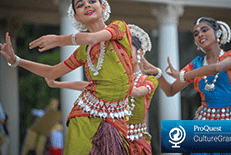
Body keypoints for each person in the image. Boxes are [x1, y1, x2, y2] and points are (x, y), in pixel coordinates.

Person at [0, 0, 134, 155]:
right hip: (86, 114)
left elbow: (92, 37)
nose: (86, 5)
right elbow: (52, 72)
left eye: (91, 1)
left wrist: (58, 40)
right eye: (80, 4)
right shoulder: (84, 50)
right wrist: (16, 61)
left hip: (118, 117)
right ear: (77, 16)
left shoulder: (119, 27)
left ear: (103, 7)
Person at [141, 17, 231, 155]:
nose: (200, 35)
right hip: (203, 125)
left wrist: (183, 75)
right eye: (196, 34)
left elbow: (216, 68)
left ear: (217, 33)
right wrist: (157, 73)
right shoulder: (196, 64)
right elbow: (170, 90)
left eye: (205, 30)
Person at [45, 24, 158, 155]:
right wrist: (58, 84)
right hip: (116, 133)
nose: (124, 55)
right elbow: (88, 86)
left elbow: (138, 92)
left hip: (138, 142)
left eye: (128, 51)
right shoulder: (114, 77)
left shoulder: (149, 80)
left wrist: (113, 85)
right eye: (121, 52)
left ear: (139, 53)